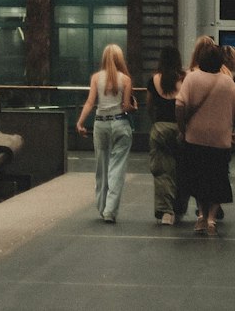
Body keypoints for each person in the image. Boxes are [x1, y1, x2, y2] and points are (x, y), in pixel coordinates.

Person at [175, 37, 235, 236]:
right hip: (221, 138)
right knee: (218, 178)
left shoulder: (192, 78)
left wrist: (183, 128)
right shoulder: (228, 82)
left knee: (198, 177)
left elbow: (180, 105)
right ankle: (211, 219)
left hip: (195, 137)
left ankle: (201, 215)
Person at [75, 42, 135, 223]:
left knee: (101, 167)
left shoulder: (95, 78)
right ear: (119, 59)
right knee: (117, 168)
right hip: (119, 123)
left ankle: (102, 207)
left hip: (100, 124)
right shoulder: (125, 79)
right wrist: (134, 107)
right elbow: (126, 107)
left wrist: (80, 122)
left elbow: (89, 103)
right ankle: (110, 210)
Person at [146, 45, 185, 223]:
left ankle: (165, 212)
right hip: (180, 130)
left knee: (162, 171)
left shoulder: (154, 80)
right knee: (181, 169)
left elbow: (149, 106)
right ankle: (179, 208)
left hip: (160, 129)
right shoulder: (184, 79)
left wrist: (155, 122)